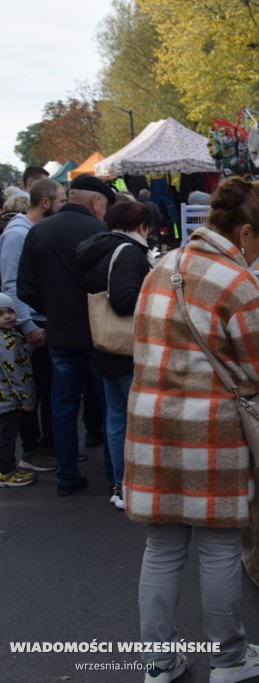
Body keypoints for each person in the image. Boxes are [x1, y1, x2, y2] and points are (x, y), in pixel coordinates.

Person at [124, 176, 259, 683]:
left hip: (151, 424)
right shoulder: (235, 279)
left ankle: (158, 664)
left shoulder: (163, 267)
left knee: (162, 548)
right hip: (209, 429)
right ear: (246, 230)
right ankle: (229, 658)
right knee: (217, 547)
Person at [18, 174, 114, 496]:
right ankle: (115, 477)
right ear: (96, 202)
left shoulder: (38, 232)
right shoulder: (101, 232)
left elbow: (25, 289)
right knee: (108, 405)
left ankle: (67, 475)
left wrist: (53, 308)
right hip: (98, 333)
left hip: (59, 332)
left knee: (63, 407)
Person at [77, 201, 153, 509]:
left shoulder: (98, 249)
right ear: (139, 226)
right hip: (127, 348)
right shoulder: (128, 252)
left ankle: (120, 484)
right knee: (136, 419)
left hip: (104, 345)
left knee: (117, 417)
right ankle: (133, 486)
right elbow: (123, 300)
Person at [0, 178, 64, 472]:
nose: (65, 207)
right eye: (62, 201)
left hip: (38, 322)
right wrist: (27, 325)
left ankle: (45, 448)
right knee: (28, 392)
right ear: (46, 203)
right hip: (32, 326)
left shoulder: (31, 231)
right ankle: (32, 450)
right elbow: (12, 285)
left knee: (40, 390)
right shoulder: (18, 235)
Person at [0, 293, 36, 487]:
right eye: (1, 314)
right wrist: (26, 399)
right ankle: (6, 472)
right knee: (7, 437)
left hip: (5, 398)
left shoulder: (11, 335)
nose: (7, 317)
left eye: (10, 311)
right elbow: (15, 375)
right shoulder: (7, 341)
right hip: (9, 400)